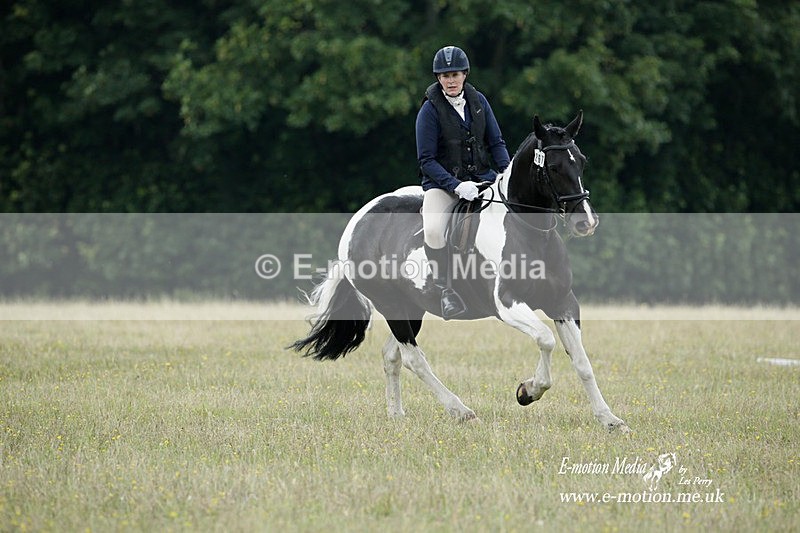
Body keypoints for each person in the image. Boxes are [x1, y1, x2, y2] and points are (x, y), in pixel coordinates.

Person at [415, 45, 511, 318]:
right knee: (433, 230)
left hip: (482, 179)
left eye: (455, 74)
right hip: (443, 185)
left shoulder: (479, 101)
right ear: (438, 79)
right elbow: (426, 160)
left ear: (465, 74)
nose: (451, 80)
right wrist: (456, 186)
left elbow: (496, 142)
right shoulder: (429, 111)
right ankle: (445, 290)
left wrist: (505, 173)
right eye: (444, 76)